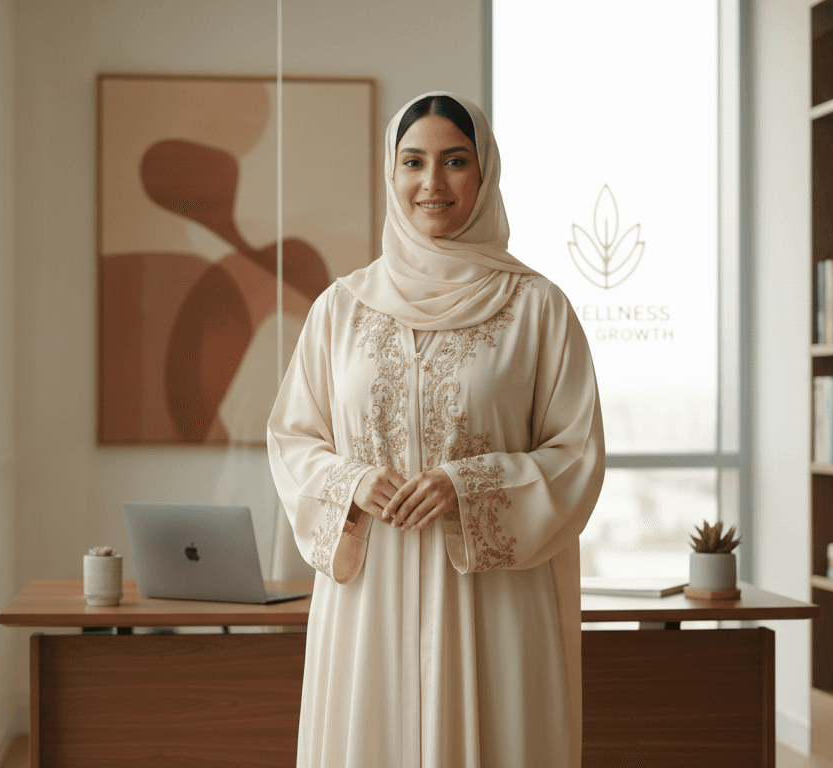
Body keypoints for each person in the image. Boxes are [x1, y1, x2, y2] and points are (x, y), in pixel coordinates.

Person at [266, 91, 605, 768]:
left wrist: (467, 485)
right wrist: (355, 482)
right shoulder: (342, 309)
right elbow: (293, 440)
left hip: (494, 600)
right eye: (413, 161)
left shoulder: (537, 308)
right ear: (391, 176)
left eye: (455, 160)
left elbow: (577, 456)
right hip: (369, 601)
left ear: (485, 175)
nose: (432, 182)